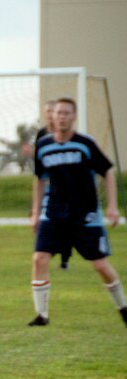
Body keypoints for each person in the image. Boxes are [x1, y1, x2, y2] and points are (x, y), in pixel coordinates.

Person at [28, 97, 126, 327]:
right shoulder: (43, 146)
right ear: (52, 116)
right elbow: (39, 179)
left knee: (100, 265)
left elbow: (108, 172)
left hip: (85, 214)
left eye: (66, 113)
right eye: (58, 113)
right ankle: (42, 315)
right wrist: (35, 212)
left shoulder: (85, 143)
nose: (61, 116)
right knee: (39, 259)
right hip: (53, 213)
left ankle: (123, 307)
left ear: (74, 116)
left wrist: (112, 206)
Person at [33, 100, 72, 270]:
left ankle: (65, 258)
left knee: (68, 224)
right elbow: (39, 162)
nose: (50, 114)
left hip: (66, 190)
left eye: (52, 110)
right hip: (47, 187)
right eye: (47, 111)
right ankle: (47, 252)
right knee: (46, 223)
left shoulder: (66, 134)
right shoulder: (42, 134)